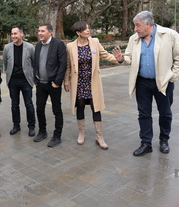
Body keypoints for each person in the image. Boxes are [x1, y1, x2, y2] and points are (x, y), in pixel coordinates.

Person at [113, 11, 179, 156]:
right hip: (142, 82)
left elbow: (178, 57)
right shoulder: (134, 39)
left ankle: (164, 140)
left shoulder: (169, 35)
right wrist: (121, 59)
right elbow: (129, 57)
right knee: (143, 113)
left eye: (138, 25)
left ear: (148, 24)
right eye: (135, 26)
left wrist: (173, 76)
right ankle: (146, 143)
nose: (135, 29)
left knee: (165, 113)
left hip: (163, 81)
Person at [64, 21, 119, 150]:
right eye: (85, 29)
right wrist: (66, 81)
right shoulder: (71, 46)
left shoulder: (94, 42)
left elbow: (105, 55)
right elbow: (67, 65)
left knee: (96, 107)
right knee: (80, 107)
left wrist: (119, 59)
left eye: (88, 28)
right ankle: (81, 133)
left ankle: (99, 137)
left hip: (92, 82)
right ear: (78, 33)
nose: (88, 31)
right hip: (78, 82)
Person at [34, 23, 67, 147]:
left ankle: (57, 136)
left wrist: (57, 82)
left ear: (50, 32)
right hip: (41, 84)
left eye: (42, 31)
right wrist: (35, 79)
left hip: (53, 84)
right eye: (39, 31)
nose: (39, 33)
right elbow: (34, 64)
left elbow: (63, 64)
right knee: (39, 109)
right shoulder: (37, 46)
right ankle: (42, 131)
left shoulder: (58, 45)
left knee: (56, 110)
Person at [3, 26, 36, 137]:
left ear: (21, 34)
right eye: (12, 34)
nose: (13, 36)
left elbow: (33, 63)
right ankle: (16, 125)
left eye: (15, 34)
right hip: (13, 81)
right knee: (14, 105)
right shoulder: (7, 48)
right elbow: (5, 63)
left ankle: (31, 126)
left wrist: (33, 78)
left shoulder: (30, 47)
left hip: (26, 80)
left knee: (29, 104)